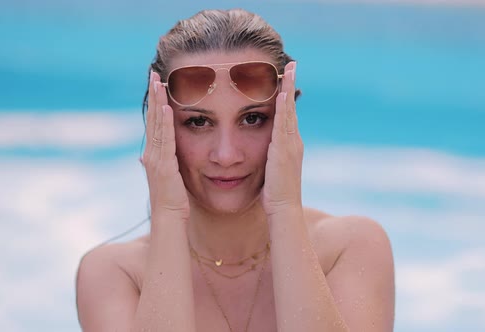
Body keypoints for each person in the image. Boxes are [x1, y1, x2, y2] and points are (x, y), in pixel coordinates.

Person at [76, 8, 395, 332]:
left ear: (286, 119)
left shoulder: (349, 248)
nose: (226, 155)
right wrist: (168, 212)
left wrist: (284, 208)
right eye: (198, 122)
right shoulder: (115, 274)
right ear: (161, 125)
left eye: (253, 118)